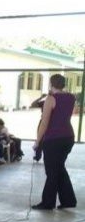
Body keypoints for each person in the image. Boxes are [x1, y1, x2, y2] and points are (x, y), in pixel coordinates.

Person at [33, 74, 77, 210]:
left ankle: (48, 203)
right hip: (68, 137)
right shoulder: (71, 97)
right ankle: (69, 200)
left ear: (51, 84)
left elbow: (44, 123)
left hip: (54, 139)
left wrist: (37, 141)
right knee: (59, 168)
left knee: (52, 171)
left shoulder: (51, 99)